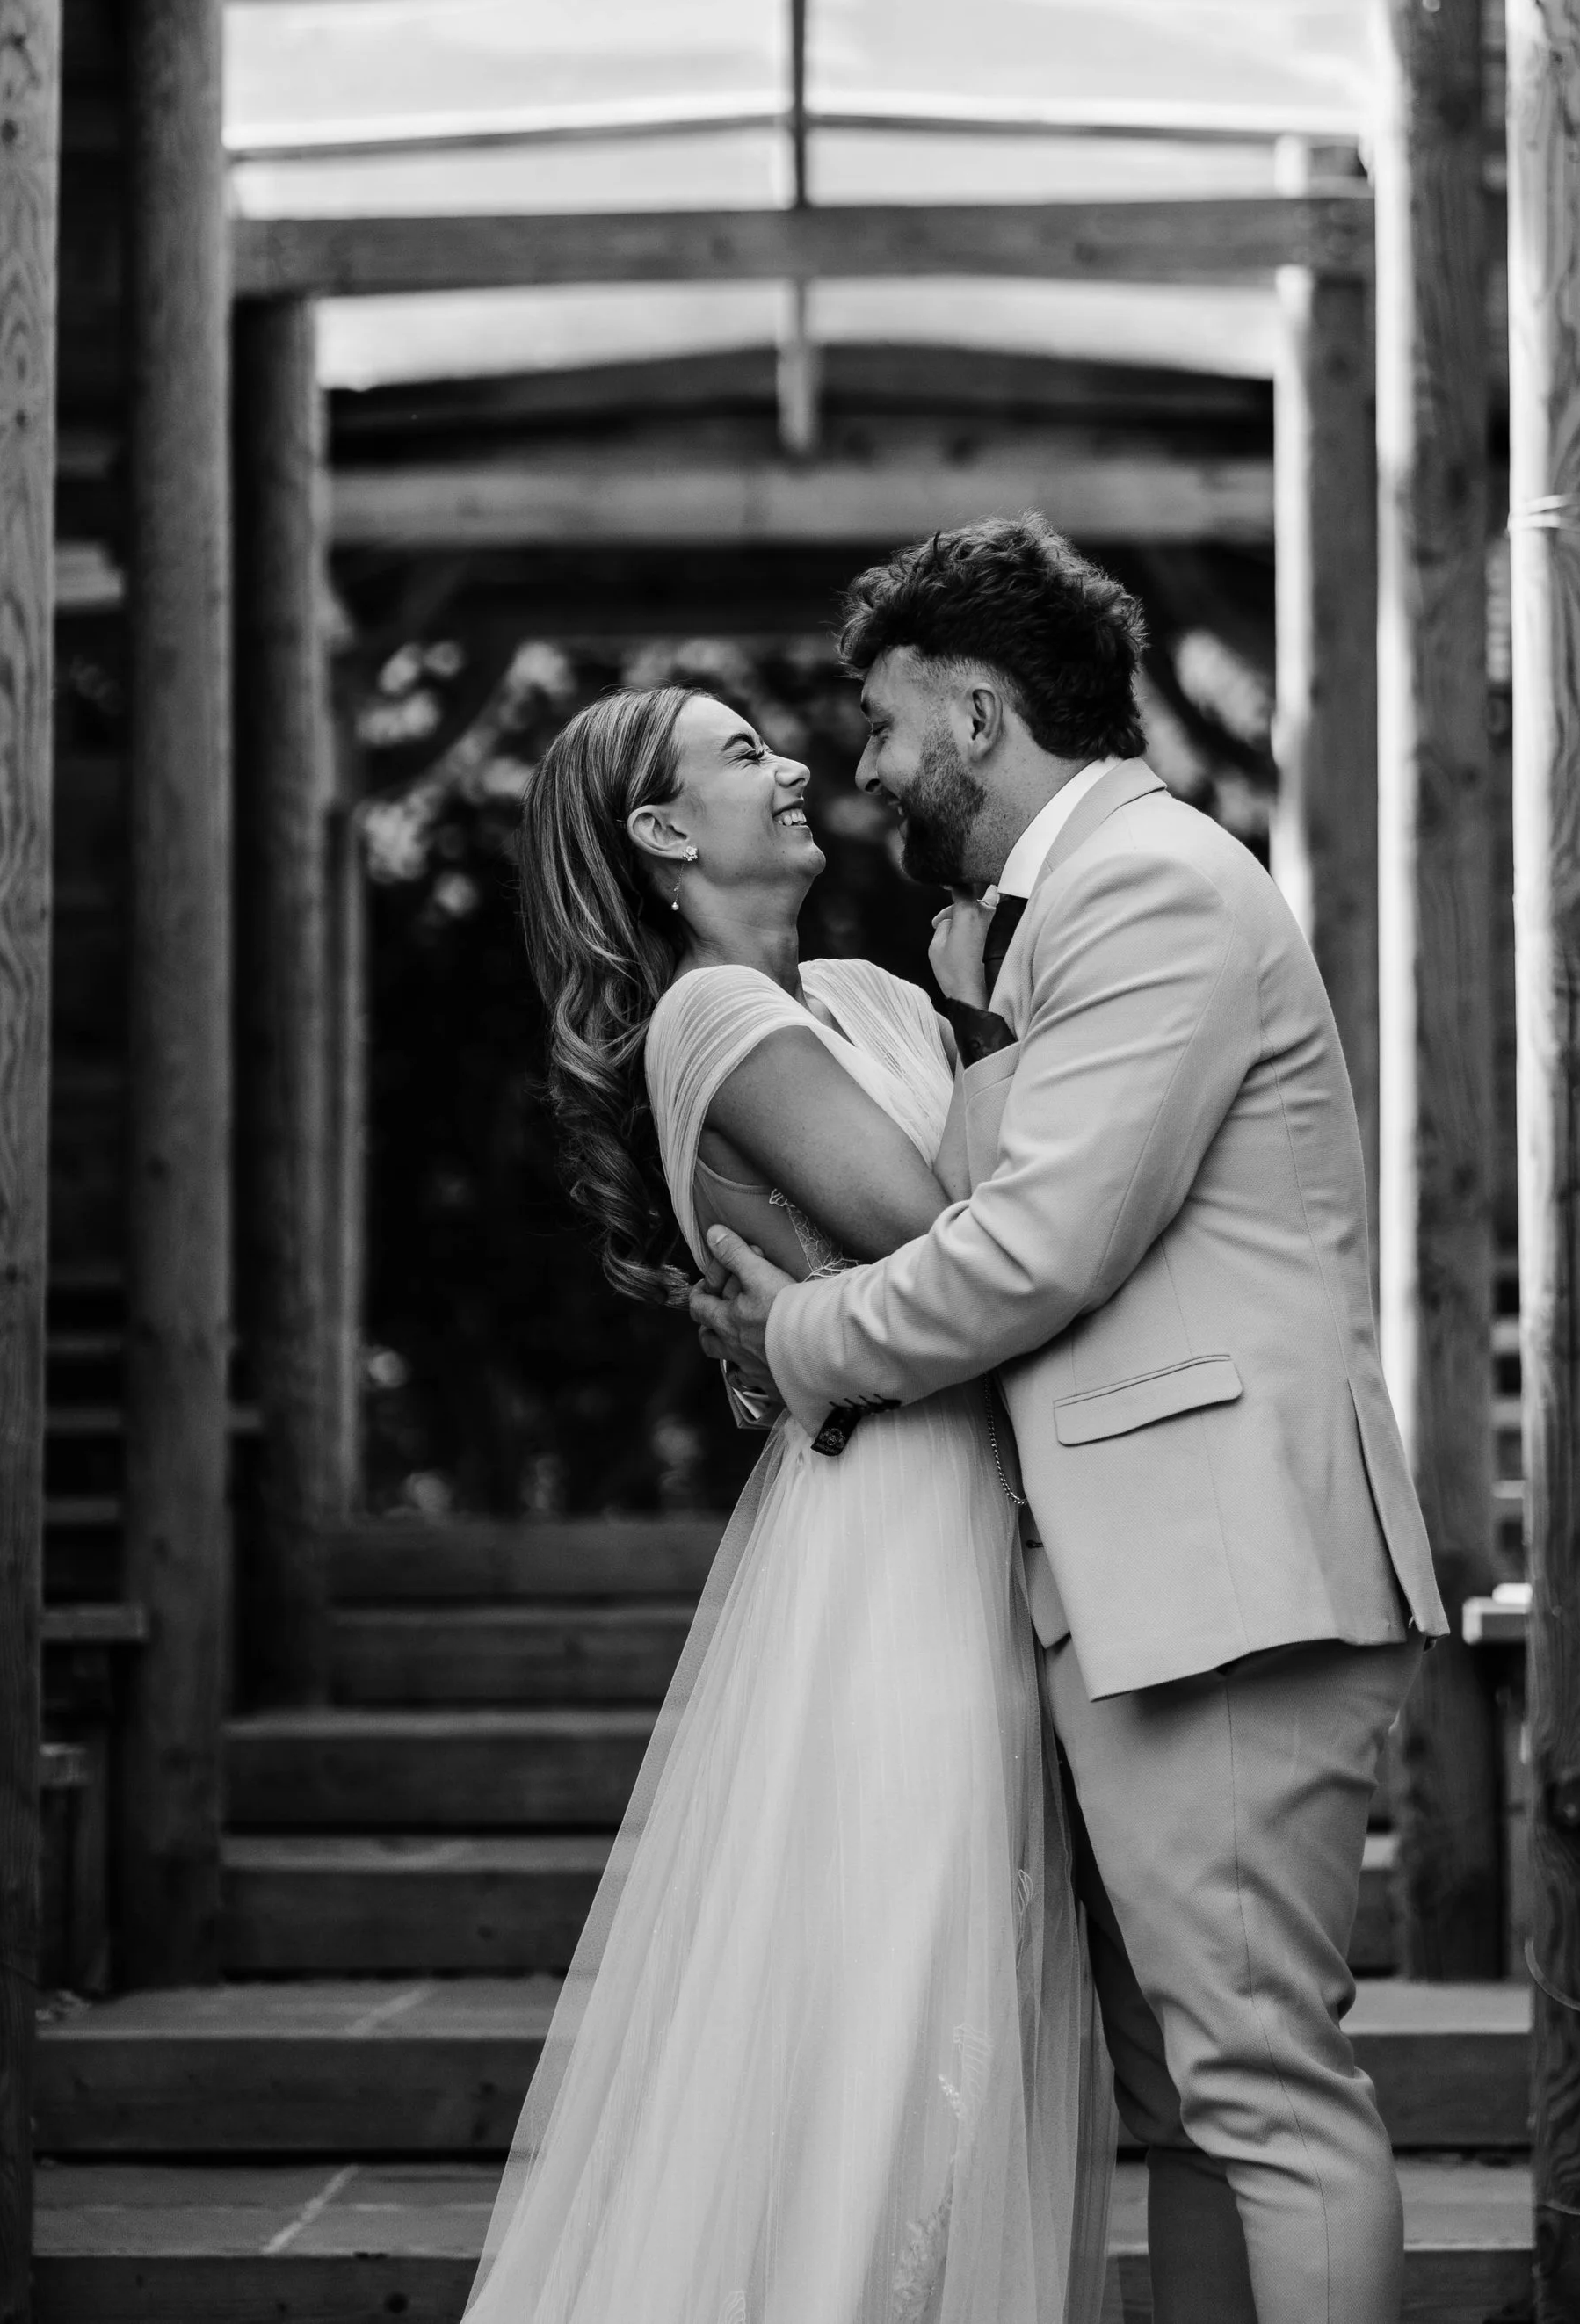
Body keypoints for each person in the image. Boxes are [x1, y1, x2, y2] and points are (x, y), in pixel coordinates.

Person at [694, 516, 1448, 2324]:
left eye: (881, 725)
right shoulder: (1050, 917)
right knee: (1180, 2106)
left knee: (1256, 2090)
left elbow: (1038, 1249)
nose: (863, 767)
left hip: (1224, 1576)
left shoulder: (1149, 888)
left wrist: (798, 1335)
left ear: (972, 708)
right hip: (1136, 1583)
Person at [468, 680, 1113, 2324]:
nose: (794, 764)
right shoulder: (705, 1017)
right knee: (902, 1990)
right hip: (895, 1528)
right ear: (666, 833)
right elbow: (941, 1228)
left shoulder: (851, 989)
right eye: (742, 753)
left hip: (976, 1486)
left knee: (971, 1984)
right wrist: (993, 1036)